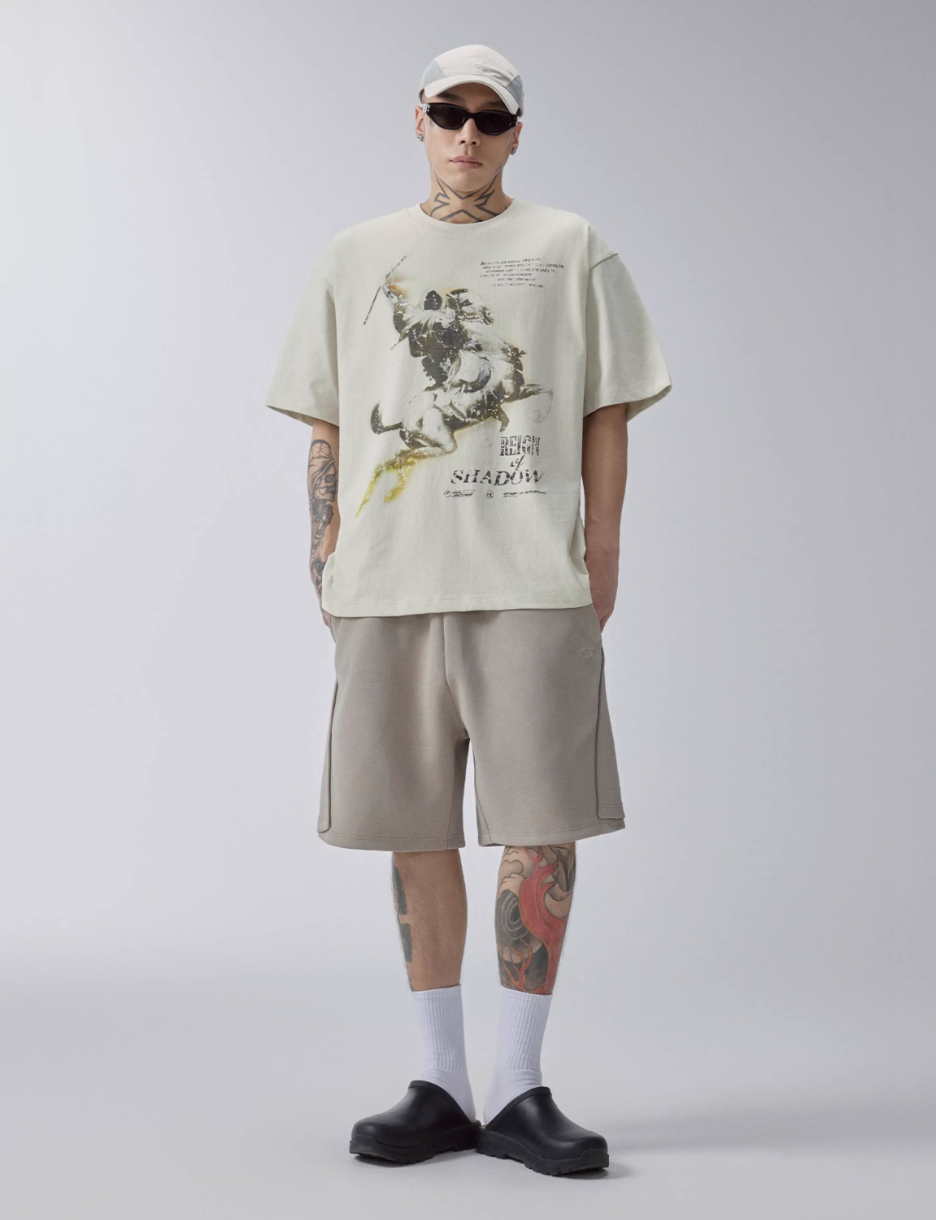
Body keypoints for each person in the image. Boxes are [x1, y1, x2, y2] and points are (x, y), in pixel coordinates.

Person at [265, 43, 672, 1176]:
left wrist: (601, 548)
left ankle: (520, 1086)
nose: (468, 134)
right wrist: (323, 547)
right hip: (388, 580)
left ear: (517, 133)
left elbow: (606, 408)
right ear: (419, 119)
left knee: (541, 823)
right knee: (414, 825)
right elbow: (326, 418)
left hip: (531, 578)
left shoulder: (571, 246)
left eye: (491, 118)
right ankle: (440, 1083)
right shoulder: (356, 256)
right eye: (450, 112)